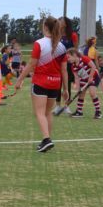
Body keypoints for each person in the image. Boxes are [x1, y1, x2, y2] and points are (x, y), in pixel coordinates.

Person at [13, 17, 68, 152]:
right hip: (55, 84)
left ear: (45, 27)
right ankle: (47, 139)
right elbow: (64, 70)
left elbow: (32, 64)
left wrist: (20, 79)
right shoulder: (62, 46)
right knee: (47, 113)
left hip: (41, 82)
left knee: (39, 113)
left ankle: (46, 139)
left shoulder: (39, 44)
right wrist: (65, 89)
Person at [67, 49, 103, 119]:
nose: (68, 59)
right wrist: (78, 88)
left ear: (74, 55)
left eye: (69, 57)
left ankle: (98, 112)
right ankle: (79, 112)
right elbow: (76, 78)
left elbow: (93, 66)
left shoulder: (84, 59)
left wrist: (90, 78)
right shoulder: (73, 66)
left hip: (94, 77)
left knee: (92, 93)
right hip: (84, 79)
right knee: (81, 94)